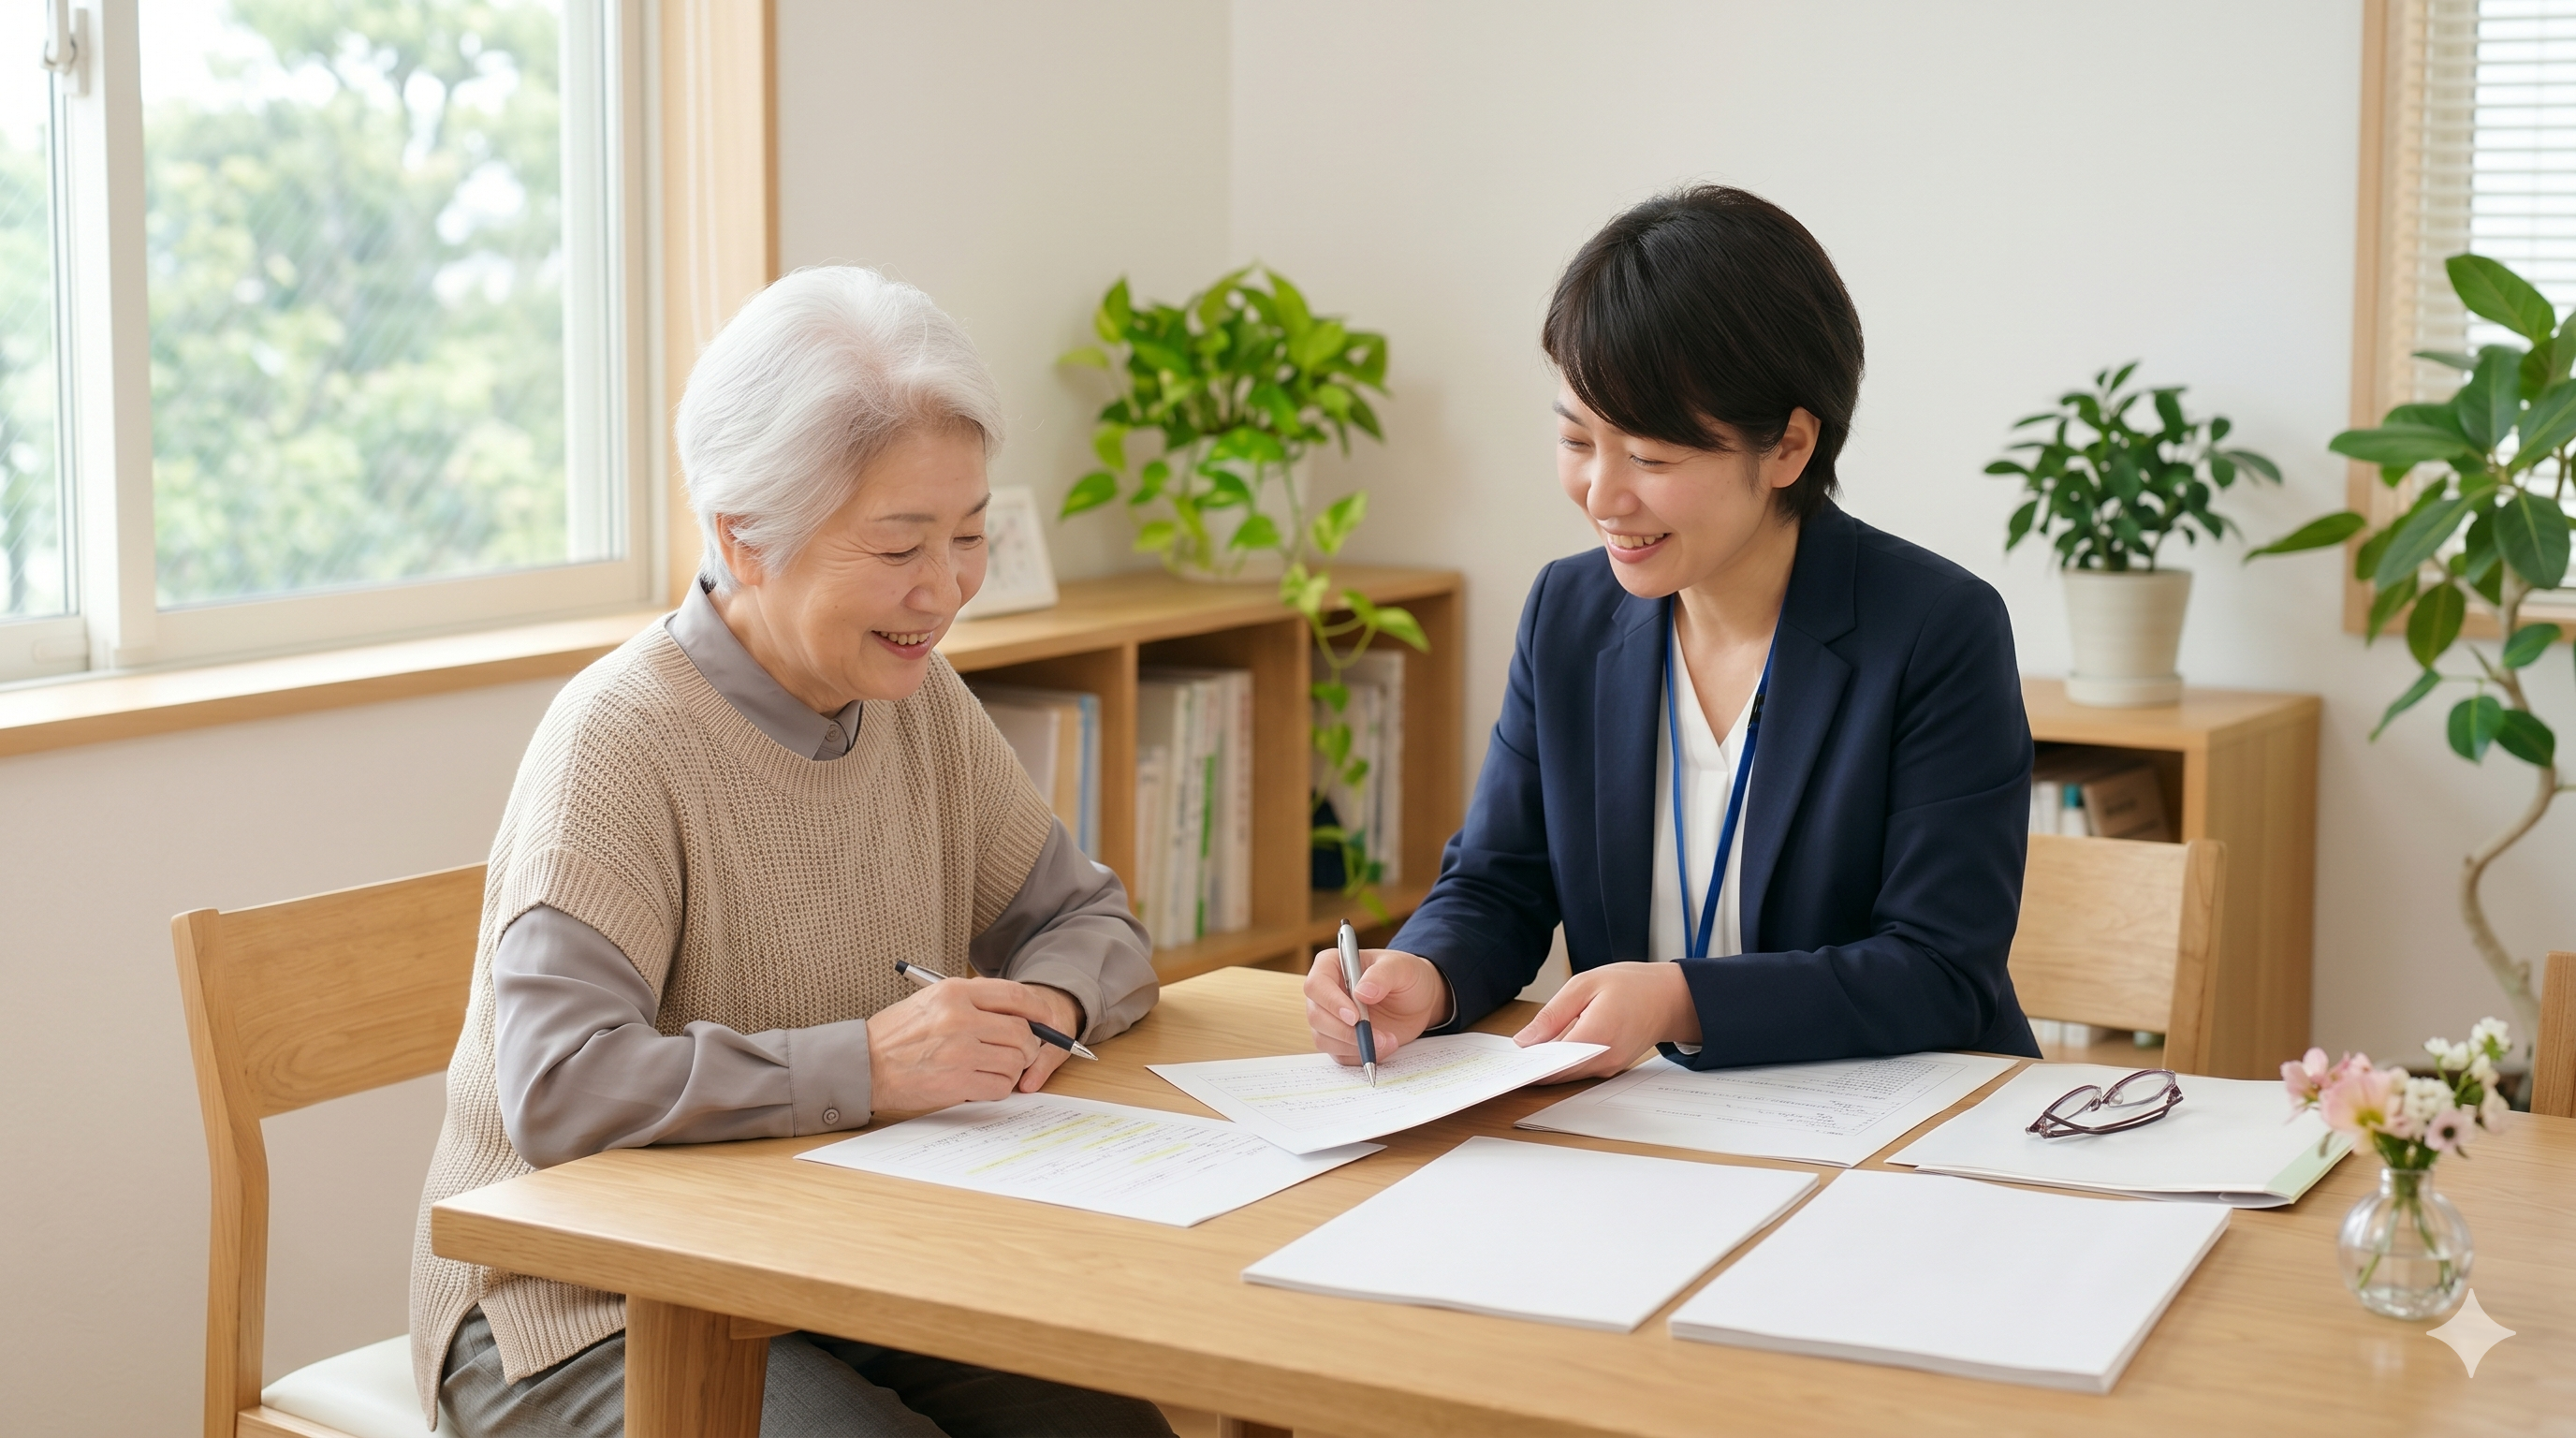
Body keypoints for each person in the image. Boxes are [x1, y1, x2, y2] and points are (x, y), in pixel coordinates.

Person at [408, 267, 1176, 1438]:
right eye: (898, 545)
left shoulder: (917, 699)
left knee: (1114, 1423)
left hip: (834, 1256)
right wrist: (863, 1067)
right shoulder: (618, 740)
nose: (946, 589)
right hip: (578, 1306)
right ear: (744, 537)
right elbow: (563, 1088)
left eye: (967, 535)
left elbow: (1095, 924)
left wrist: (1045, 1005)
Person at [1305, 186, 2039, 1080]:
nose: (1603, 496)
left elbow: (1940, 970)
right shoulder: (1568, 615)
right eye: (1579, 441)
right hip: (1649, 1135)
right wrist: (1426, 973)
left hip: (1888, 1135)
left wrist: (1682, 998)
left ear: (1788, 449)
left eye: (1651, 457)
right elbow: (1499, 883)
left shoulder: (1934, 630)